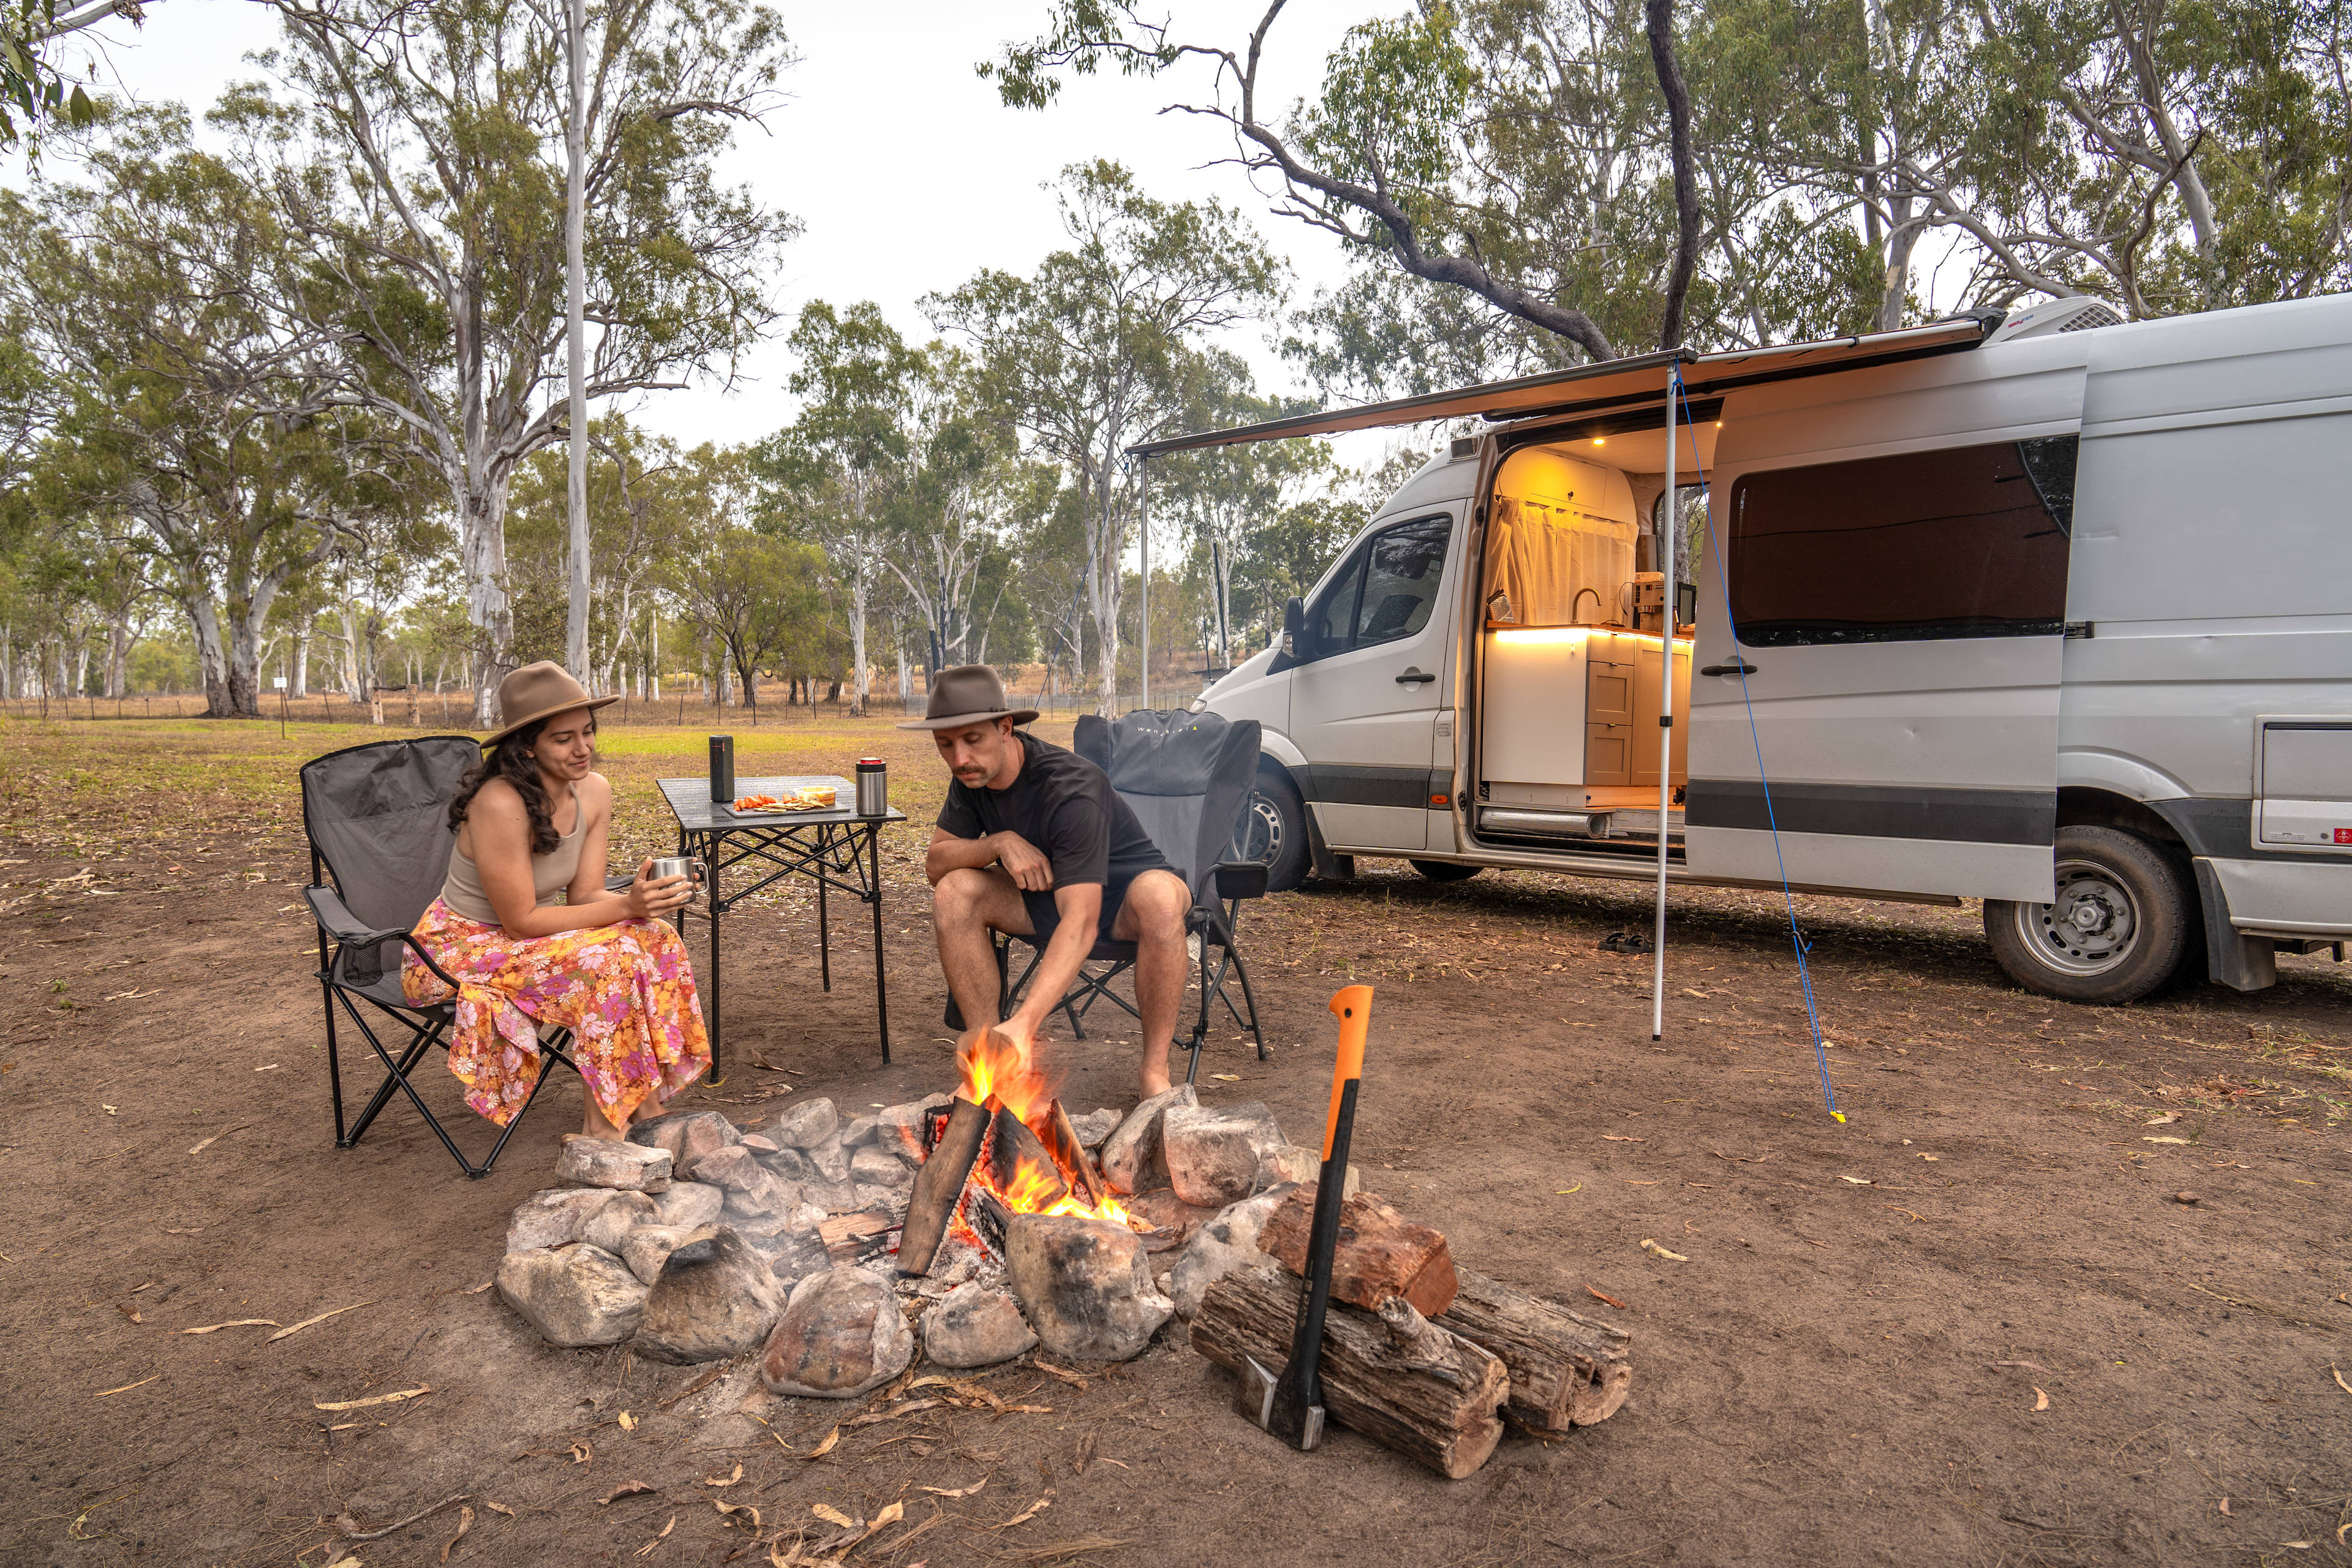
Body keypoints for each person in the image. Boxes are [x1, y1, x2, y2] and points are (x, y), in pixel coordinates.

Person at [404, 661, 711, 1139]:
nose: (584, 747)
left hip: (528, 938)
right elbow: (521, 921)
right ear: (527, 747)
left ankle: (646, 1108)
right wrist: (628, 906)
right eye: (563, 738)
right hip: (457, 949)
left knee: (658, 936)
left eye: (588, 732)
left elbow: (586, 896)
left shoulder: (595, 792)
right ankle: (604, 1129)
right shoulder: (499, 803)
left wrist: (643, 906)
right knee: (610, 960)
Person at [907, 665, 1193, 1098]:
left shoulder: (1071, 788)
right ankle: (991, 1060)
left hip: (1121, 901)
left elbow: (1081, 922)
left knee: (1161, 897)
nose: (959, 758)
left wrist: (1026, 1023)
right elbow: (936, 864)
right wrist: (998, 843)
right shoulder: (970, 776)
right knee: (955, 891)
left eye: (972, 740)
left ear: (1006, 728)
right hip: (1044, 898)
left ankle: (1154, 1071)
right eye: (945, 745)